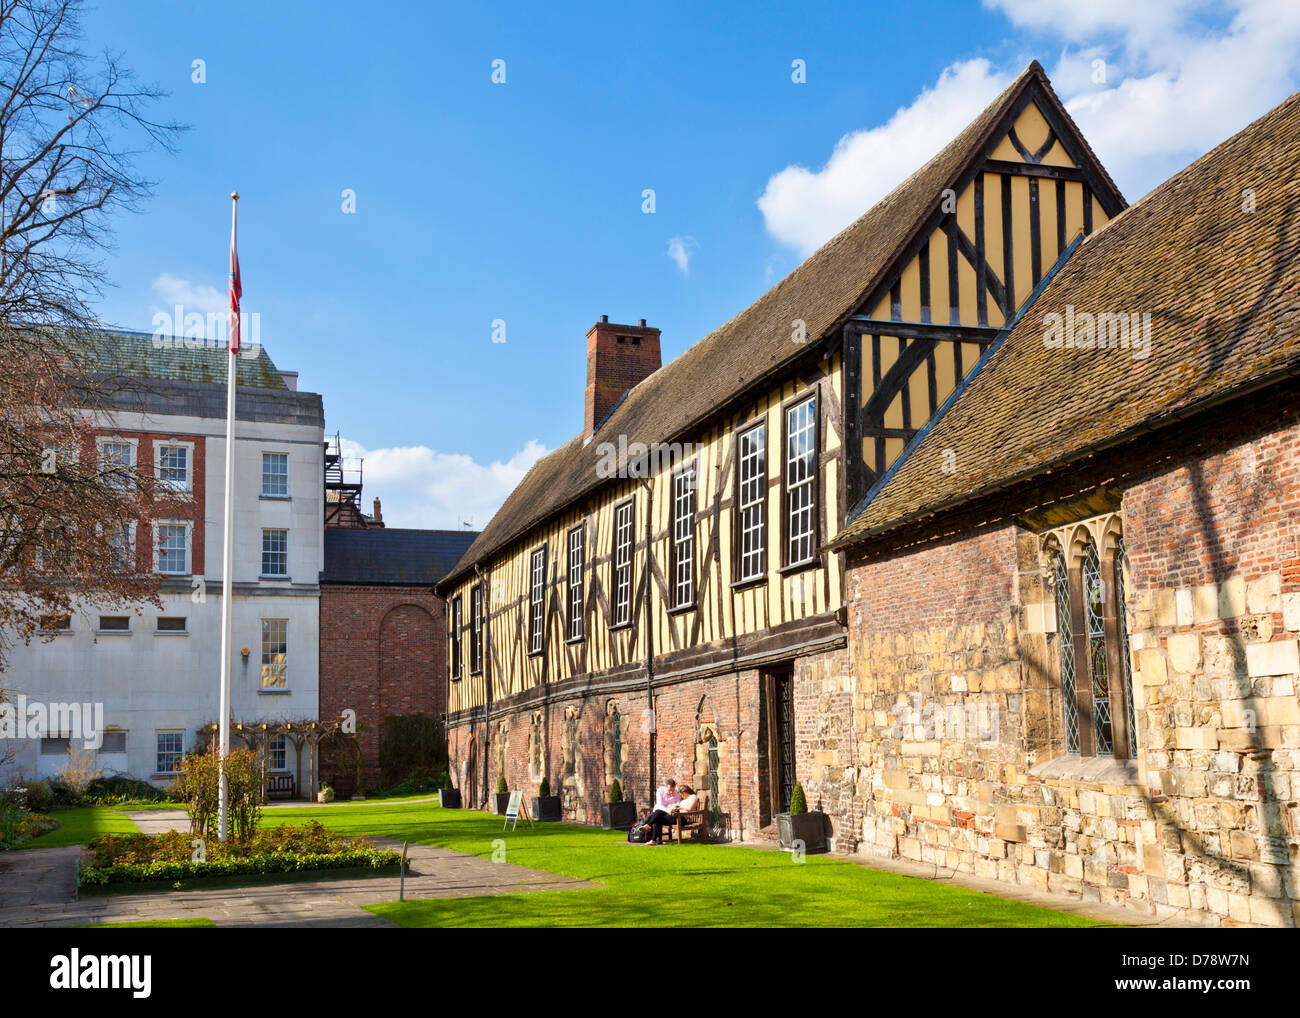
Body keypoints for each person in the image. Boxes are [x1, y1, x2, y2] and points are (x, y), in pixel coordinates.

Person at [642, 779, 680, 845]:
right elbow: (660, 804)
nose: (671, 792)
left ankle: (649, 826)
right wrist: (667, 809)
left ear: (675, 787)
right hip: (661, 811)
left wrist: (671, 808)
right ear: (666, 786)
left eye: (673, 790)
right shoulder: (660, 790)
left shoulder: (676, 792)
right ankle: (658, 840)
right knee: (658, 813)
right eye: (669, 790)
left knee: (657, 816)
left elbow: (678, 804)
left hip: (670, 814)